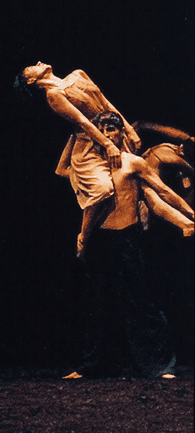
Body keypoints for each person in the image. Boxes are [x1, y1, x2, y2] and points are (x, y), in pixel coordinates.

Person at [64, 112, 191, 381]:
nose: (108, 135)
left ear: (121, 133)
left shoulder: (131, 163)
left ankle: (159, 367)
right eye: (102, 130)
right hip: (100, 241)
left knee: (142, 304)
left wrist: (190, 214)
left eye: (113, 130)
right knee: (97, 306)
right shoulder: (88, 168)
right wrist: (78, 134)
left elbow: (163, 193)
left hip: (127, 239)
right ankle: (92, 366)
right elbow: (67, 172)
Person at [18, 62, 192, 253]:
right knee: (104, 189)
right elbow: (82, 121)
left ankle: (186, 222)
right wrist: (108, 145)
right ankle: (83, 237)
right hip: (91, 145)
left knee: (143, 187)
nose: (39, 62)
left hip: (113, 134)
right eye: (32, 66)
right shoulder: (53, 95)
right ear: (32, 80)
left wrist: (128, 129)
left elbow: (106, 102)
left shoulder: (78, 74)